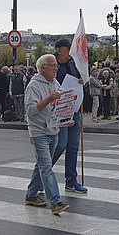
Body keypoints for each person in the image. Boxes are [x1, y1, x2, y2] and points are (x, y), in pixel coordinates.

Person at [23, 54, 70, 215]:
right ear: (43, 68)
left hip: (53, 129)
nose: (56, 68)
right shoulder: (34, 86)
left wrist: (65, 119)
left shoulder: (55, 83)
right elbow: (30, 111)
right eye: (52, 65)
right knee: (46, 167)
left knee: (42, 166)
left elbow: (58, 107)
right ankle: (55, 201)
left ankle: (30, 195)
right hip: (39, 131)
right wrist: (49, 98)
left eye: (56, 65)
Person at [51, 39, 88, 194]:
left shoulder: (73, 64)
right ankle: (41, 176)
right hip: (59, 111)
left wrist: (81, 80)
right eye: (68, 48)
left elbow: (79, 79)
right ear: (59, 50)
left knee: (73, 147)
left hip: (73, 109)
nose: (70, 51)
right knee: (60, 145)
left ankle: (71, 181)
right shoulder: (52, 65)